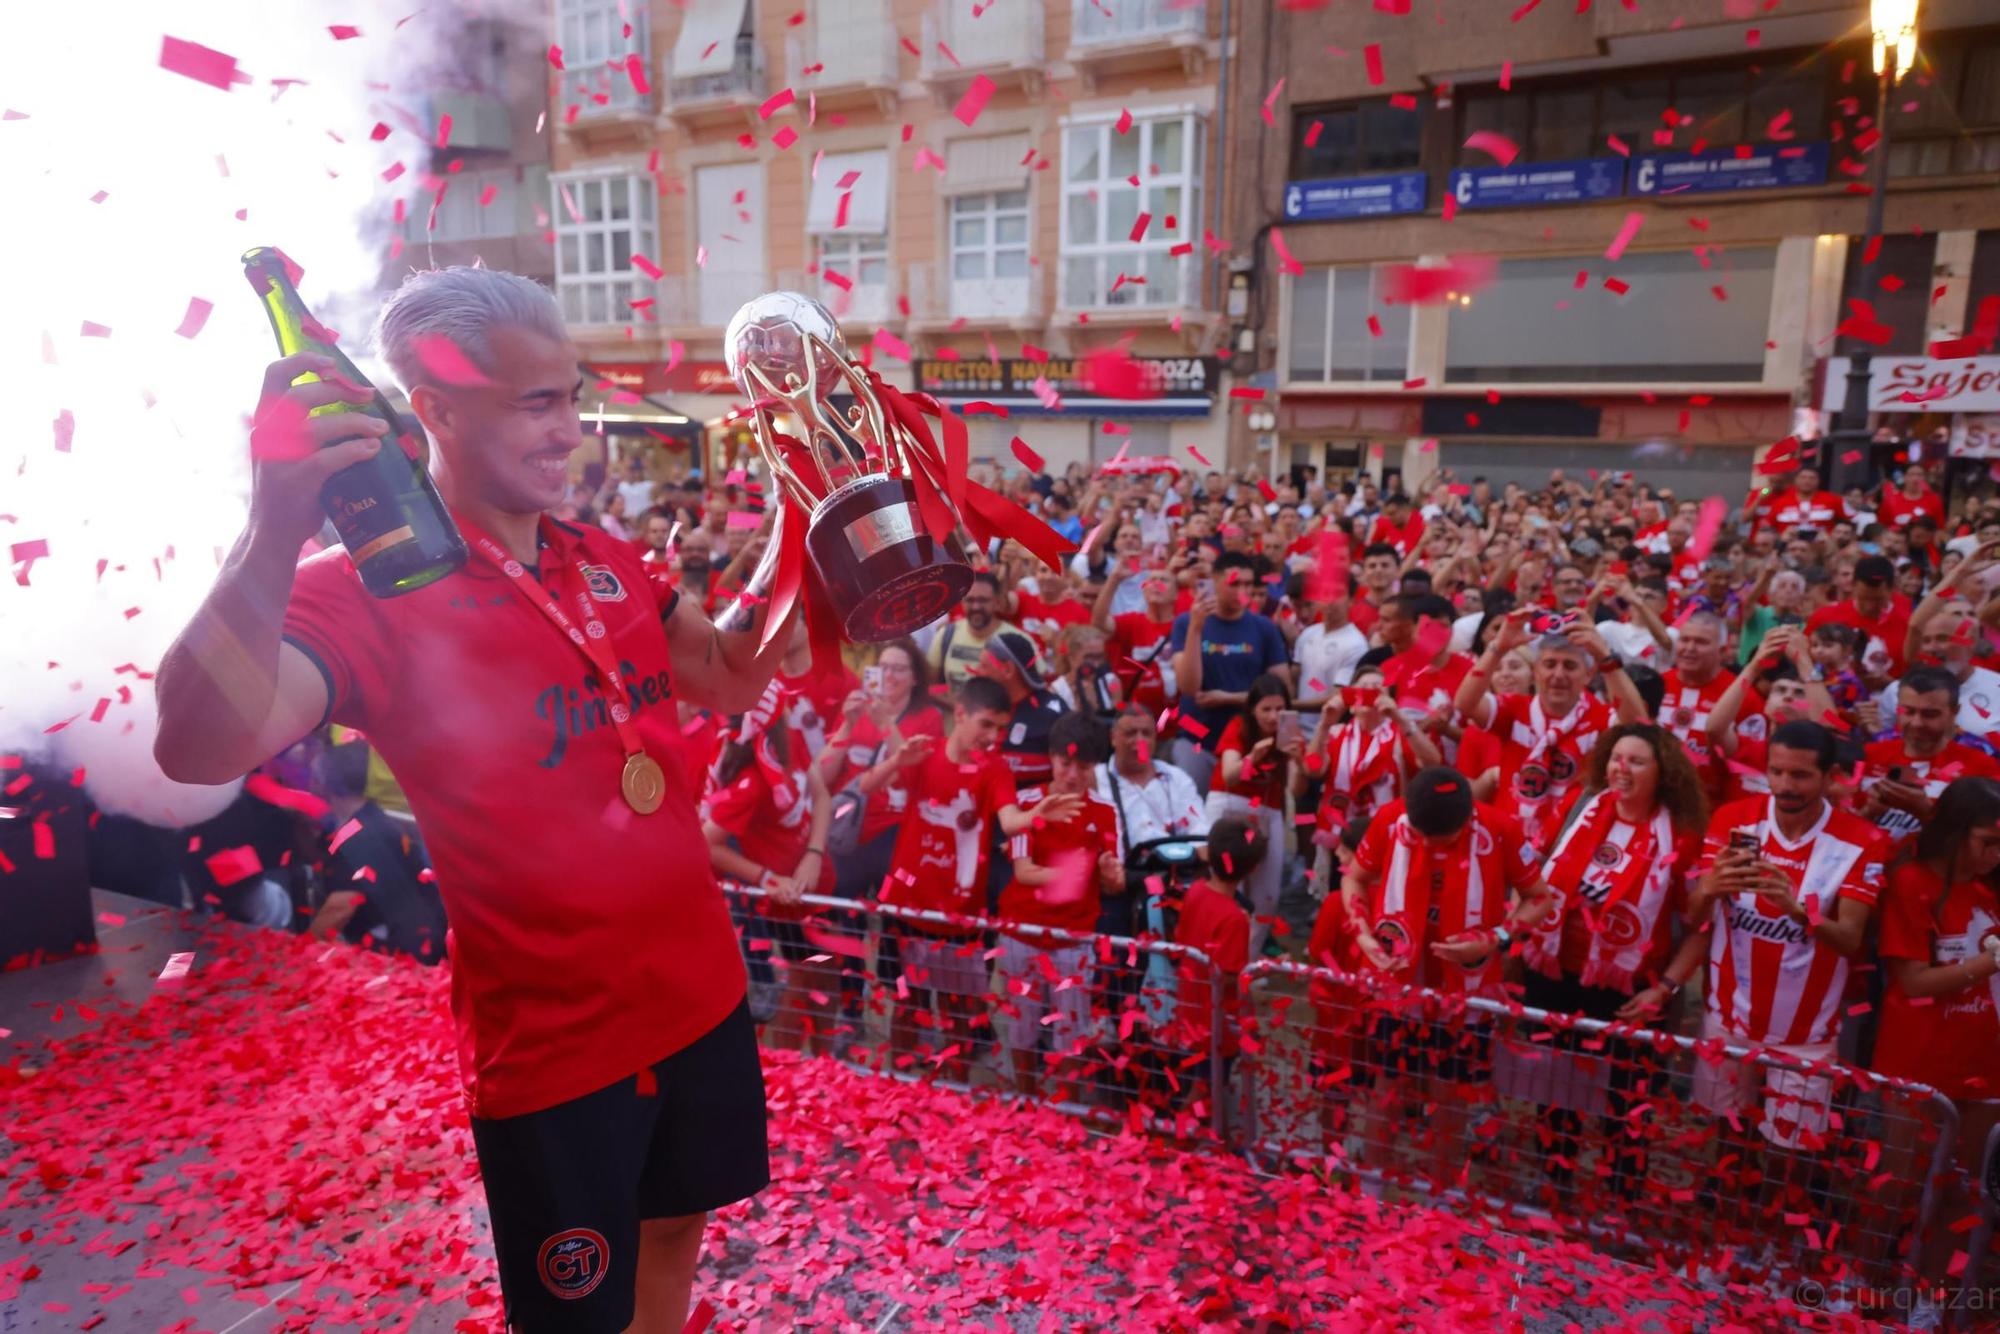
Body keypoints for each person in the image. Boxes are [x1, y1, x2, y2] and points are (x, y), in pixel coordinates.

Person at [152, 266, 791, 1334]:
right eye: (536, 401)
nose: (570, 428)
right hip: (555, 1046)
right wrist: (270, 529)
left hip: (700, 994)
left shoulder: (602, 557)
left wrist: (815, 523)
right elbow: (195, 745)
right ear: (437, 407)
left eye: (571, 392)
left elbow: (729, 673)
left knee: (674, 1233)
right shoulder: (362, 585)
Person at [1341, 767, 1554, 1184]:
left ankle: (1441, 1188)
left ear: (1467, 821)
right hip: (1398, 982)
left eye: (1440, 843)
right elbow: (1355, 879)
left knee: (1450, 1094)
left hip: (1466, 991)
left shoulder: (1502, 829)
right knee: (1388, 1084)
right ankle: (1373, 1185)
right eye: (1418, 839)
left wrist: (1495, 939)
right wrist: (1363, 932)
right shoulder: (1390, 820)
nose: (1424, 848)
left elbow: (1540, 899)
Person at [1525, 724, 1712, 1199]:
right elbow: (1540, 884)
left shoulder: (1684, 838)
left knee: (1626, 1097)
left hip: (1631, 991)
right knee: (1556, 1086)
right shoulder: (1582, 808)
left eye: (1636, 762)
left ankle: (1620, 1193)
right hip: (1555, 975)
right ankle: (1555, 1179)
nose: (1620, 769)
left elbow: (1700, 931)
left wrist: (1665, 989)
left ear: (1663, 773)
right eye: (1616, 758)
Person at [1689, 721, 1885, 1150]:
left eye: (1799, 775)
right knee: (1726, 1138)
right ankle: (1727, 1209)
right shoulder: (1733, 819)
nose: (1784, 785)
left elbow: (1851, 940)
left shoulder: (1863, 841)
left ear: (1830, 775)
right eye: (1776, 772)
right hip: (1728, 1017)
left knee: (1791, 1154)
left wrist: (1797, 910)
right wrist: (1706, 888)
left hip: (1807, 1035)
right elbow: (1693, 917)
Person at [876, 676, 1079, 1084]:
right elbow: (871, 786)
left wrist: (1037, 815)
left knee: (963, 1013)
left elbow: (1009, 819)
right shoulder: (923, 751)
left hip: (961, 916)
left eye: (1000, 728)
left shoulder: (995, 768)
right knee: (907, 1003)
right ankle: (899, 1085)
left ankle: (953, 1092)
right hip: (905, 906)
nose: (993, 736)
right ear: (961, 714)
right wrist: (896, 758)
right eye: (986, 725)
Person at [1871, 777, 2000, 1303]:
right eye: (1986, 840)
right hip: (1916, 1060)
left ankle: (1930, 1299)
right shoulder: (1911, 882)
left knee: (1963, 1193)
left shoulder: (1994, 888)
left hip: (1987, 1065)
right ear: (1952, 833)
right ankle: (1863, 1287)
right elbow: (1913, 981)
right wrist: (1986, 962)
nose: (1996, 852)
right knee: (1893, 1186)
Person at [701, 683, 835, 1054]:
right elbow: (708, 845)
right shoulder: (752, 780)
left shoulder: (790, 742)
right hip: (787, 906)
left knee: (825, 980)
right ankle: (800, 1072)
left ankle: (829, 1058)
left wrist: (814, 853)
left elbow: (822, 795)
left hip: (820, 887)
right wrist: (767, 879)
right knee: (799, 992)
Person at [998, 714, 1122, 1099]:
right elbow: (1023, 872)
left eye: (1083, 767)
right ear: (1052, 759)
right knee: (1022, 1027)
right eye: (1066, 764)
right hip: (1024, 933)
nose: (1072, 775)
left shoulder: (1104, 812)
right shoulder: (1027, 803)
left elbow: (1113, 882)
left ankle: (1062, 1111)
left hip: (1074, 939)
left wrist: (1109, 873)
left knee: (1071, 1034)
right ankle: (1024, 1098)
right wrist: (1075, 873)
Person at [1455, 613, 1647, 851]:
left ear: (1588, 675)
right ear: (1536, 671)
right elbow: (1465, 703)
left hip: (1567, 849)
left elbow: (1638, 725)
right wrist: (1498, 647)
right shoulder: (1514, 710)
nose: (1558, 675)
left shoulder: (1599, 718)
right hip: (1508, 844)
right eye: (1549, 664)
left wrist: (1604, 658)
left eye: (1569, 666)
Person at [307, 740, 446, 964]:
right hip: (427, 937)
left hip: (405, 954)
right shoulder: (371, 816)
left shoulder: (352, 838)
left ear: (326, 785)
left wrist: (301, 952)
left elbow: (339, 907)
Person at [1168, 550, 1291, 790]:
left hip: (1246, 743)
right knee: (1194, 816)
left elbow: (1282, 690)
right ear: (1215, 582)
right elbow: (1188, 686)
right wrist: (1196, 628)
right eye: (1234, 584)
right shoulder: (1186, 622)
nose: (1242, 591)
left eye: (1248, 584)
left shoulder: (1263, 627)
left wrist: (1229, 698)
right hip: (1197, 739)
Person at [1210, 674, 1308, 957]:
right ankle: (1221, 958)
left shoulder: (1291, 735)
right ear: (1253, 709)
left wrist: (1298, 761)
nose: (1273, 716)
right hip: (1231, 805)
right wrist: (1252, 756)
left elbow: (1295, 790)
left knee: (1267, 896)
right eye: (1266, 709)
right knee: (1229, 887)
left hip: (1269, 811)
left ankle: (1247, 961)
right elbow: (1229, 775)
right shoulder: (1238, 727)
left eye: (1279, 709)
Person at [1852, 665, 2000, 845]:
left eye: (1930, 714)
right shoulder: (1868, 755)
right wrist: (1869, 811)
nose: (1916, 723)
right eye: (1908, 711)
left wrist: (1926, 812)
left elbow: (1986, 845)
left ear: (1955, 712)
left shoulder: (1982, 768)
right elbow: (1839, 832)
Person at [1171, 814, 1259, 1104]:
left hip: (1189, 1010)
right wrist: (1255, 972)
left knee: (1199, 1081)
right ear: (1252, 869)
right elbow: (1229, 974)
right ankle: (1189, 1138)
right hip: (1217, 1025)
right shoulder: (1235, 919)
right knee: (1206, 1090)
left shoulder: (1195, 891)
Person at [1807, 554, 1911, 677]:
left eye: (1877, 600)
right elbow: (1805, 661)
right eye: (1864, 598)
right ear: (1853, 586)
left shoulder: (1908, 624)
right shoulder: (1825, 618)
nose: (1869, 606)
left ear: (1892, 589)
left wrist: (1889, 684)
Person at [927, 570, 1023, 685]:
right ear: (962, 601)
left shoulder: (1018, 639)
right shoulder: (946, 635)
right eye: (970, 600)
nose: (976, 607)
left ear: (997, 602)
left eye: (983, 600)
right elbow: (930, 683)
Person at [1291, 573, 1370, 710]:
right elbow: (1298, 678)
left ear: (1351, 600)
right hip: (1297, 724)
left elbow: (1338, 696)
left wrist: (1291, 706)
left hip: (1328, 727)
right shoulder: (1308, 634)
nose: (1330, 600)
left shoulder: (1356, 644)